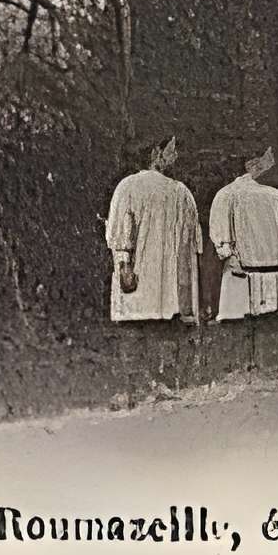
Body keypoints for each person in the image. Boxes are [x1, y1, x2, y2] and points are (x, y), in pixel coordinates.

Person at [104, 134, 203, 400]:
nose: (176, 156)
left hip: (161, 275)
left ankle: (157, 384)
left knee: (153, 326)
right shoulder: (131, 187)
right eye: (171, 150)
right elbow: (122, 231)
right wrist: (125, 264)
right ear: (155, 153)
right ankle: (134, 387)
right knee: (141, 326)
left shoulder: (179, 192)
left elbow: (189, 239)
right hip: (142, 272)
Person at [206, 144, 278, 369]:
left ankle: (256, 363)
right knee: (264, 321)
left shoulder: (229, 195)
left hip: (251, 270)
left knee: (252, 322)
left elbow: (221, 237)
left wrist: (229, 255)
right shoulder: (270, 195)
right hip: (257, 270)